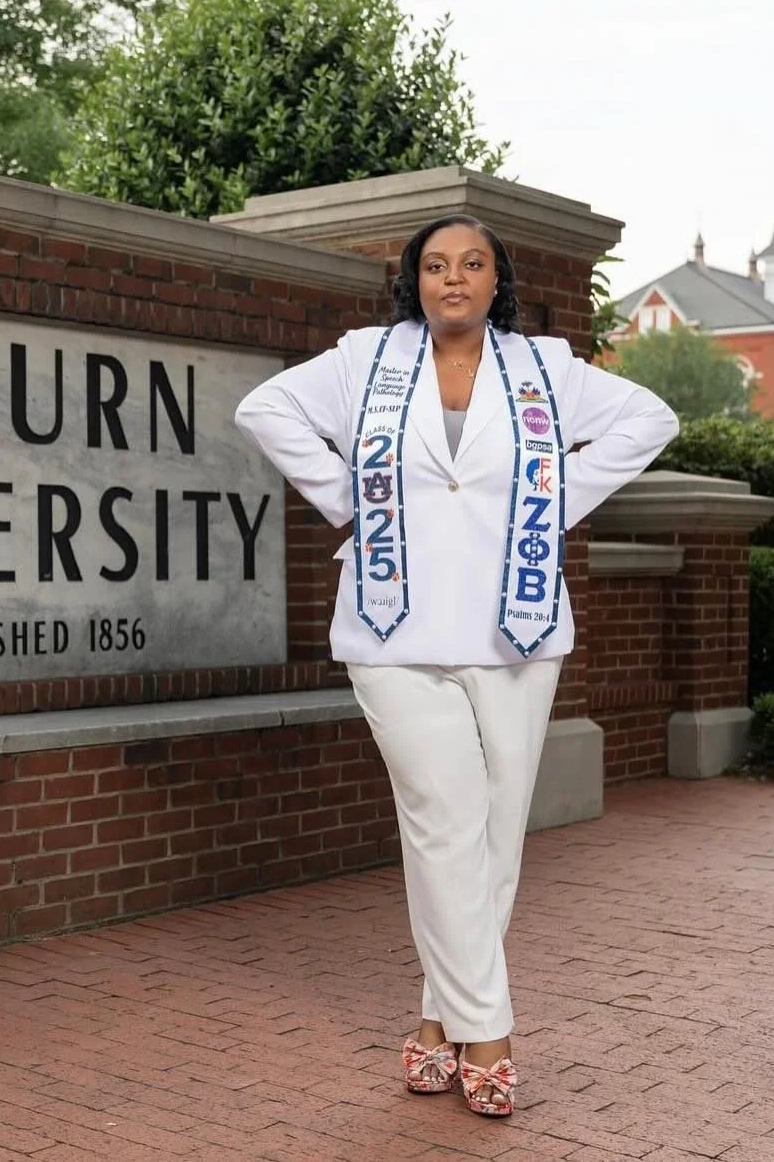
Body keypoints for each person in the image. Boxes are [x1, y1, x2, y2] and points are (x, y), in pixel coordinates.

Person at [234, 215, 678, 1118]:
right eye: (435, 265)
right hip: (394, 629)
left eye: (472, 264)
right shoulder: (366, 360)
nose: (453, 279)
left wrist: (553, 503)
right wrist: (350, 502)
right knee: (445, 817)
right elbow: (263, 409)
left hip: (513, 627)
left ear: (495, 280)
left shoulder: (545, 369)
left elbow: (649, 418)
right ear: (415, 281)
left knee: (495, 837)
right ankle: (492, 1034)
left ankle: (439, 1023)